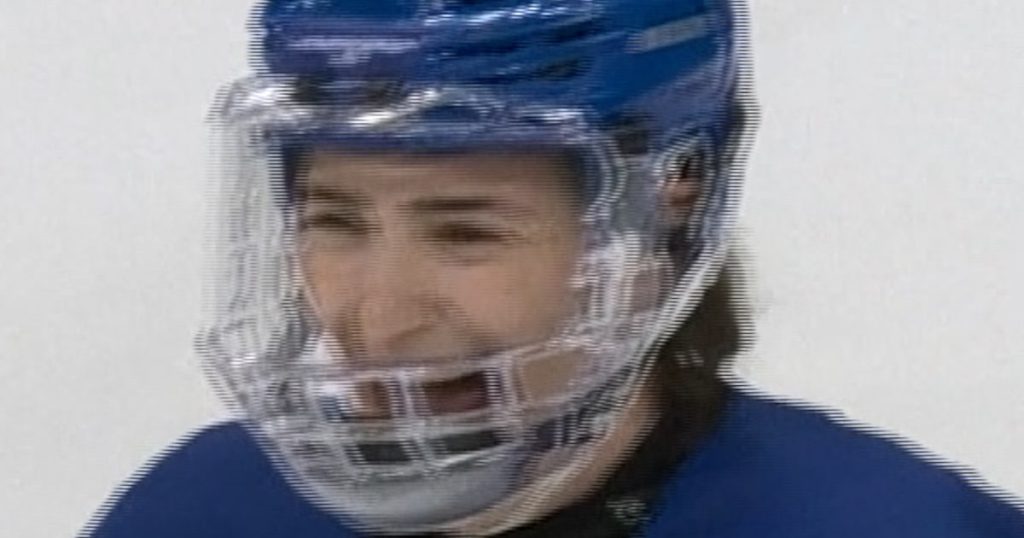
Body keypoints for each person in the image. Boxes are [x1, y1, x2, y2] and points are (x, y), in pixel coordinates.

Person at [83, 0, 1024, 537]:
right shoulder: (199, 511)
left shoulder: (889, 526)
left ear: (667, 202)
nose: (380, 314)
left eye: (466, 232)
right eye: (334, 220)